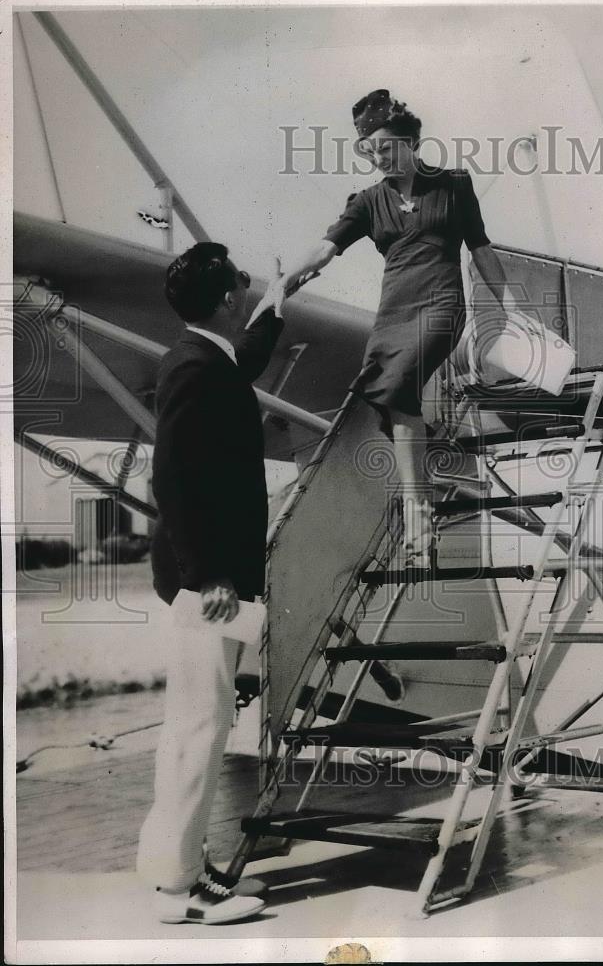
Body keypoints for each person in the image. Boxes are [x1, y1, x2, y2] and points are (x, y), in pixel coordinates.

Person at [279, 89, 516, 566]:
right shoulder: (367, 201)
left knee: (401, 379)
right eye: (370, 152)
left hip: (441, 305)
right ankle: (420, 505)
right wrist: (288, 279)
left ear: (411, 141)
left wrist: (508, 304)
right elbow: (326, 248)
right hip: (394, 310)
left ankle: (417, 506)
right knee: (392, 397)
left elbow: (481, 249)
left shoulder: (453, 185)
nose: (379, 158)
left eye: (386, 148)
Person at [137, 242, 286, 925]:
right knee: (200, 728)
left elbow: (246, 358)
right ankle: (180, 892)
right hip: (209, 585)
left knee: (199, 724)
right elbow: (171, 478)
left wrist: (280, 297)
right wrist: (210, 577)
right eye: (243, 284)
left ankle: (174, 870)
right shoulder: (193, 368)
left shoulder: (208, 360)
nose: (246, 289)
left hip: (212, 581)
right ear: (226, 299)